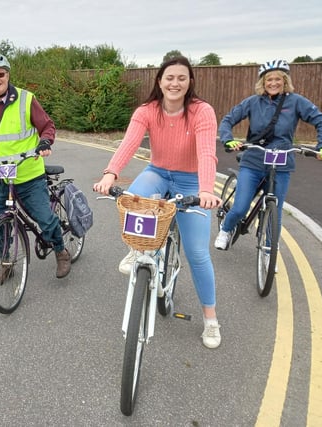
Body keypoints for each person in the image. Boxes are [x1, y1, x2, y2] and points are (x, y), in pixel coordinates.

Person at [93, 56, 223, 349]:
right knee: (134, 200)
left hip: (191, 180)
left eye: (181, 78)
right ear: (159, 81)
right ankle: (135, 249)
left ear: (190, 82)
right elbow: (129, 143)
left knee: (197, 253)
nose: (175, 83)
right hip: (158, 172)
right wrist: (111, 174)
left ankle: (211, 320)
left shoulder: (201, 111)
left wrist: (205, 189)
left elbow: (206, 153)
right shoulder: (147, 110)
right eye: (169, 77)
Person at [0, 52, 71, 280]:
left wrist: (45, 141)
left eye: (0, 74)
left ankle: (61, 251)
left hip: (27, 174)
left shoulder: (26, 99)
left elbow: (47, 125)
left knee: (44, 218)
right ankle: (6, 263)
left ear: (8, 75)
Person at [214, 59, 322, 251]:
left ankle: (270, 250)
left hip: (281, 163)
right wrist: (228, 139)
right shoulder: (253, 102)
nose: (273, 83)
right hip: (253, 160)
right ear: (263, 82)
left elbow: (321, 121)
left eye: (278, 79)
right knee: (241, 206)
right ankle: (225, 229)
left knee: (275, 209)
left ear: (285, 81)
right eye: (269, 79)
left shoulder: (296, 102)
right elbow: (228, 120)